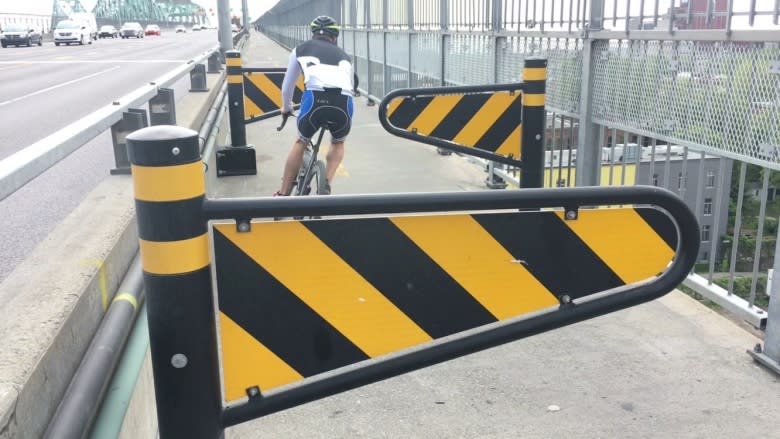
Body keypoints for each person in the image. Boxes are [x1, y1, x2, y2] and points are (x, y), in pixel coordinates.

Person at [275, 15, 355, 196]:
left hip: (314, 101)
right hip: (344, 103)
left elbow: (287, 87)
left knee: (300, 141)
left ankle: (283, 194)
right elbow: (350, 86)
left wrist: (286, 108)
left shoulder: (300, 50)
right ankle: (325, 185)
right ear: (335, 37)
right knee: (338, 142)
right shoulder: (345, 57)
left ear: (313, 35)